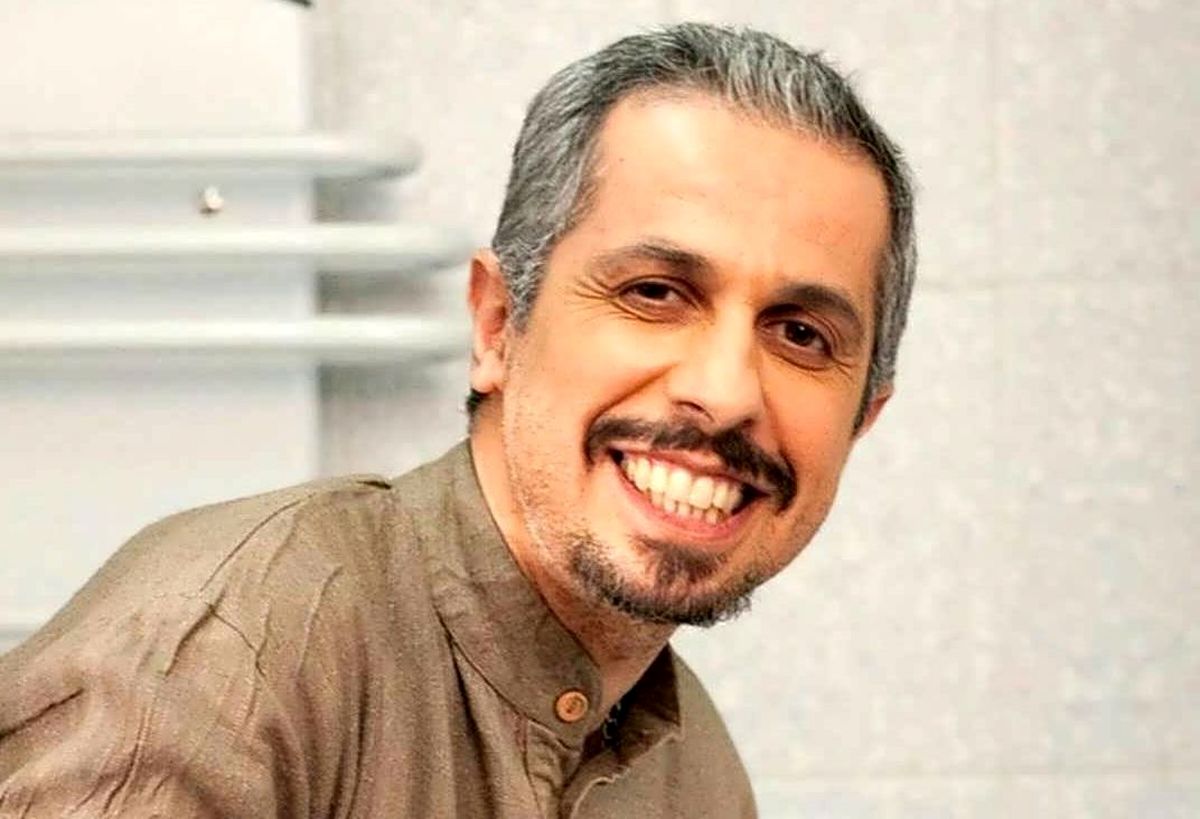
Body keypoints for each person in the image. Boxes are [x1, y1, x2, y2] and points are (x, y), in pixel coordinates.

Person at [0, 22, 914, 818]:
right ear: (497, 325)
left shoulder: (694, 775)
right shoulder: (228, 653)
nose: (726, 391)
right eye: (655, 292)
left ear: (862, 421)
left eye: (801, 334)